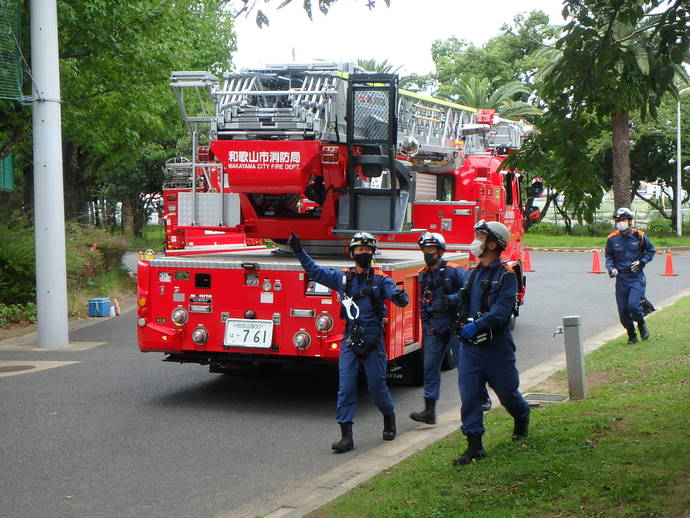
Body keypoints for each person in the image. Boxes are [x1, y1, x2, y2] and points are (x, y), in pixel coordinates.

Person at [287, 231, 409, 453]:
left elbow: (394, 292)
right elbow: (315, 271)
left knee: (376, 386)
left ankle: (389, 418)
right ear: (351, 253)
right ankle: (346, 436)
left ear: (373, 253)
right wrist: (299, 250)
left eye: (367, 250)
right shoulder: (343, 278)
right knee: (346, 387)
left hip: (374, 342)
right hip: (351, 340)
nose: (363, 253)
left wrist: (400, 297)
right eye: (359, 250)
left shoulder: (381, 280)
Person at [453, 220, 530, 466]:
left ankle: (521, 417)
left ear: (494, 244)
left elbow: (501, 311)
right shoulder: (471, 274)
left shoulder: (506, 277)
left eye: (481, 236)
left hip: (496, 348)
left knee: (508, 393)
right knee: (470, 396)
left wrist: (480, 324)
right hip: (470, 349)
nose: (476, 240)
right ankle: (474, 446)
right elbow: (462, 301)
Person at [409, 231, 466, 425]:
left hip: (455, 324)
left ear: (440, 251)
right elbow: (422, 304)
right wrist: (427, 327)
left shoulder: (453, 270)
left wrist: (449, 300)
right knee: (430, 367)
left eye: (431, 249)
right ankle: (429, 411)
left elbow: (468, 293)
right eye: (425, 249)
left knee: (465, 365)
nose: (428, 252)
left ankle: (477, 401)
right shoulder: (423, 274)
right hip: (434, 327)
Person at [605, 207, 656, 344]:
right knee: (623, 312)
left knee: (633, 305)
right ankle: (631, 334)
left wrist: (642, 261)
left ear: (629, 221)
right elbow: (609, 257)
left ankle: (641, 323)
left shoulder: (639, 236)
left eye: (622, 220)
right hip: (621, 279)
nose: (620, 222)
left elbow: (651, 250)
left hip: (636, 277)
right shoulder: (612, 239)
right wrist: (611, 268)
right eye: (617, 220)